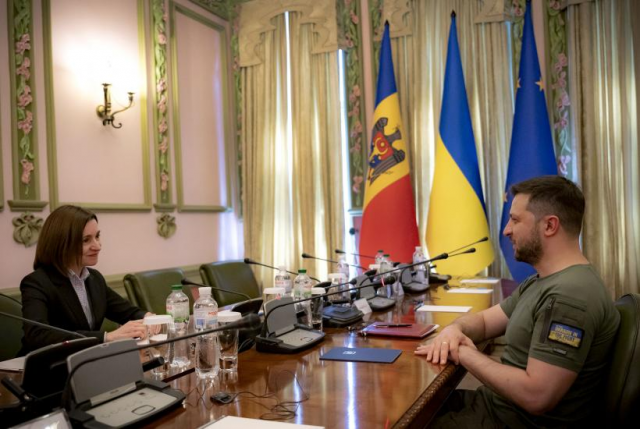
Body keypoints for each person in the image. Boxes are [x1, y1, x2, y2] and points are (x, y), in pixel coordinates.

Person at [415, 176, 620, 428]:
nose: (506, 230)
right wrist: (454, 330)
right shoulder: (542, 281)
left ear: (549, 226)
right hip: (495, 408)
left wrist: (464, 353)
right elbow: (484, 321)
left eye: (515, 219)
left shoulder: (570, 295)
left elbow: (536, 396)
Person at [20, 205, 151, 355]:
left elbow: (127, 312)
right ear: (61, 243)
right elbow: (38, 335)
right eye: (86, 240)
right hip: (44, 364)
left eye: (97, 236)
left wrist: (150, 318)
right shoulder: (36, 283)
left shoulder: (94, 278)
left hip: (85, 361)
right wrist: (106, 337)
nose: (97, 246)